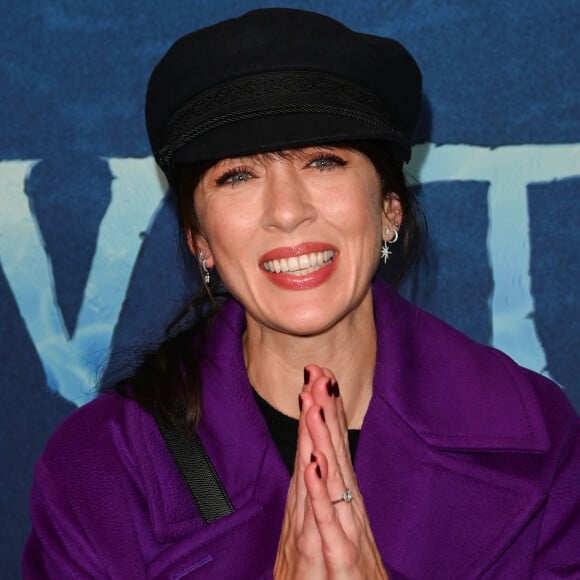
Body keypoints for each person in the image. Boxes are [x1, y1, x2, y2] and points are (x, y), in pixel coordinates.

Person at [23, 8, 580, 579]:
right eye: (238, 175)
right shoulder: (101, 472)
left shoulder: (539, 440)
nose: (287, 211)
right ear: (200, 240)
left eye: (323, 161)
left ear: (389, 207)